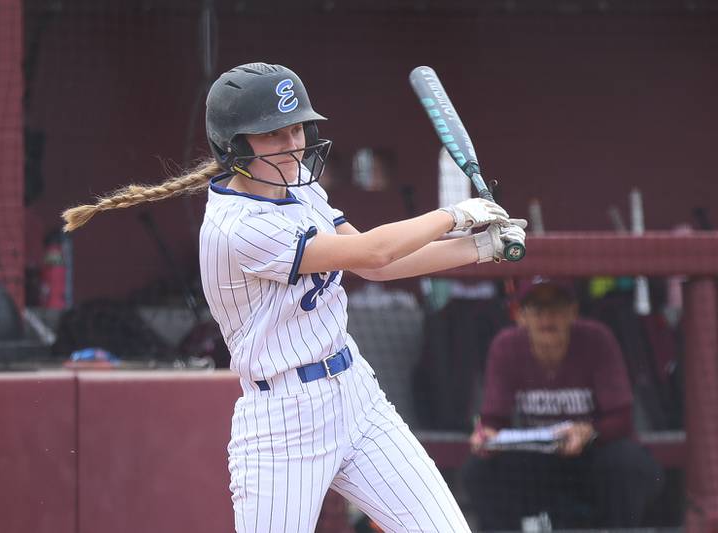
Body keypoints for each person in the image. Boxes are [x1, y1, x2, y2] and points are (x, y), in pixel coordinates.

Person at [62, 62, 527, 533]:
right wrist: (455, 215)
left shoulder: (297, 184)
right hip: (283, 420)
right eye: (273, 136)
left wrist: (481, 247)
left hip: (357, 396)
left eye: (297, 130)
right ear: (235, 146)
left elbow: (377, 266)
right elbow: (372, 250)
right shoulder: (237, 227)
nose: (292, 146)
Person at [461, 277, 664, 530]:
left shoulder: (597, 339)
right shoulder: (506, 346)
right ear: (521, 315)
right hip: (537, 462)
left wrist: (587, 431)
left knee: (629, 463)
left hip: (592, 457)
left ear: (572, 312)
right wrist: (486, 435)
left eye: (556, 307)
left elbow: (622, 418)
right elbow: (494, 418)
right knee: (478, 471)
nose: (547, 318)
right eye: (538, 309)